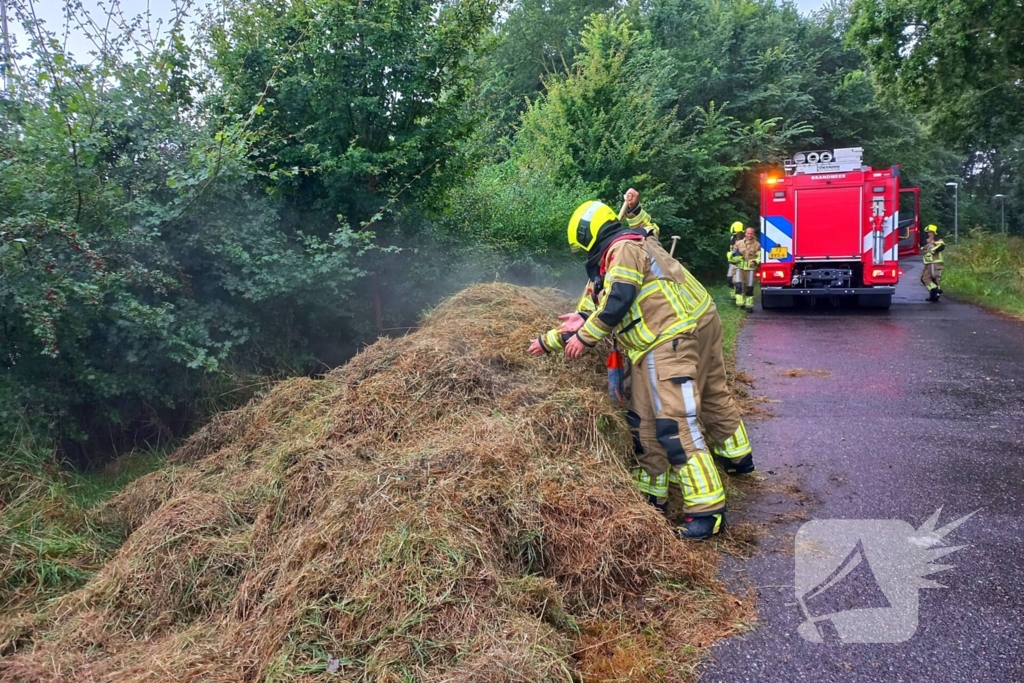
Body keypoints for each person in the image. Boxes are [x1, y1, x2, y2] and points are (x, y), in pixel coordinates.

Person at [529, 201, 726, 540]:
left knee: (676, 426)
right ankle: (652, 496)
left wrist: (585, 339)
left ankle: (707, 510)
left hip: (668, 344)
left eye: (583, 245)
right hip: (648, 349)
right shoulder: (613, 257)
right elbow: (594, 307)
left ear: (590, 234)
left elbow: (618, 300)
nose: (584, 252)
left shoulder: (624, 249)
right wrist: (547, 341)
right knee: (643, 425)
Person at [617, 194, 755, 478]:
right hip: (702, 315)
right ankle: (738, 457)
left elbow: (610, 303)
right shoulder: (645, 241)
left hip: (675, 333)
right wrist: (634, 208)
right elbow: (647, 226)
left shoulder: (625, 255)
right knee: (713, 390)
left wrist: (572, 334)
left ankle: (700, 494)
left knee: (675, 417)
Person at [732, 227, 760, 310]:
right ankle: (740, 304)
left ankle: (749, 306)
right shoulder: (738, 243)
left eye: (751, 233)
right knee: (739, 286)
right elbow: (732, 256)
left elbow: (760, 256)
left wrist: (755, 261)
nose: (749, 235)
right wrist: (735, 259)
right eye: (748, 233)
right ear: (745, 234)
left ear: (753, 234)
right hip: (739, 268)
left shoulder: (757, 245)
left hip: (750, 269)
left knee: (749, 288)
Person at [921, 224, 945, 302]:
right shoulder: (927, 240)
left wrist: (933, 250)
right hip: (928, 262)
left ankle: (935, 296)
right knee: (925, 278)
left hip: (935, 262)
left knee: (934, 279)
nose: (929, 234)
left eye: (930, 232)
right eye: (928, 232)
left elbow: (942, 246)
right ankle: (934, 291)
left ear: (934, 232)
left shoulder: (937, 239)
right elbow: (923, 248)